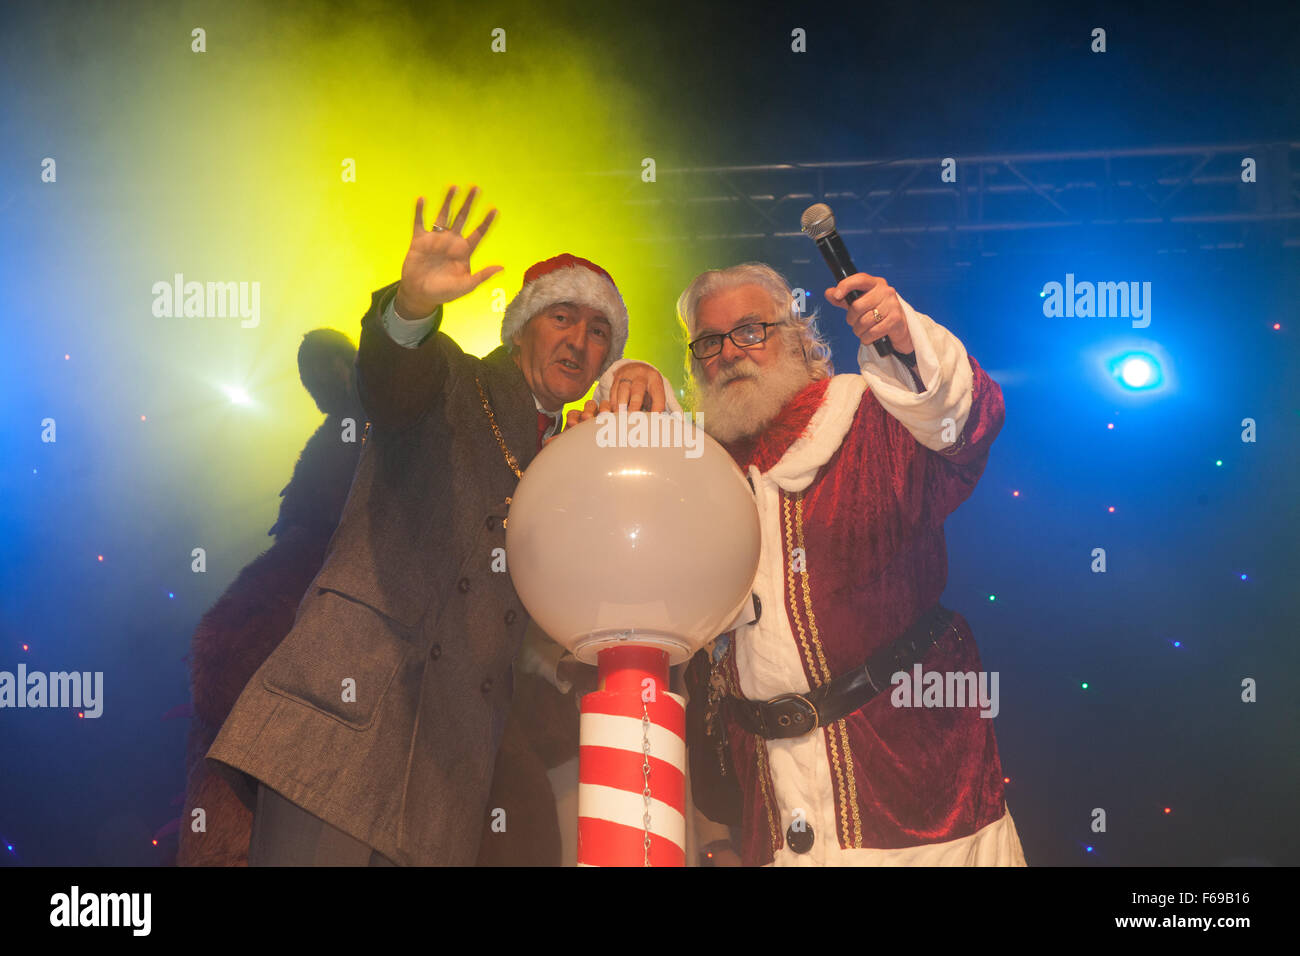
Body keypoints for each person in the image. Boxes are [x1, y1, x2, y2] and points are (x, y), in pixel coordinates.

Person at [206, 185, 675, 866]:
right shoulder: (450, 380)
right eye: (562, 318)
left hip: (444, 783)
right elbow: (394, 376)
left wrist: (641, 387)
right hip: (342, 731)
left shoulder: (576, 455)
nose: (578, 340)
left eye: (599, 332)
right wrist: (412, 306)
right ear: (521, 328)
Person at [679, 261, 1026, 866]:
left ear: (796, 336)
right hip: (774, 805)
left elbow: (967, 420)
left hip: (913, 799)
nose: (729, 353)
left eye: (750, 331)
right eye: (709, 341)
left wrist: (903, 333)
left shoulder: (874, 416)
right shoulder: (698, 468)